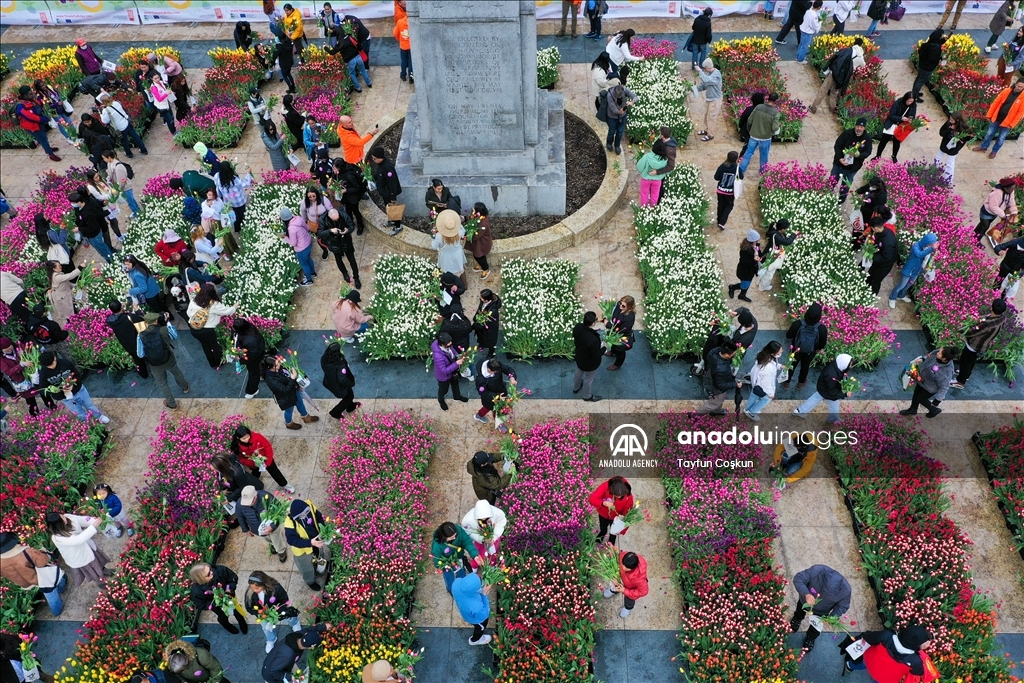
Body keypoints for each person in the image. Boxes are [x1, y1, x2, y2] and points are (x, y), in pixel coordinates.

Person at [0, 532, 67, 617]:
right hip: (39, 578)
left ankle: (57, 606)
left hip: (24, 583)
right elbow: (43, 561)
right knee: (50, 591)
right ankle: (57, 609)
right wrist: (42, 551)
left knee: (47, 589)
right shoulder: (25, 553)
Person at [790, 564, 852, 651]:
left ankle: (811, 638)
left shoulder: (846, 590)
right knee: (800, 611)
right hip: (805, 601)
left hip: (822, 612)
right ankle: (797, 619)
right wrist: (806, 594)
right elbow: (798, 578)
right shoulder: (817, 570)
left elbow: (842, 606)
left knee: (815, 627)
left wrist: (832, 616)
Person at [38, 350, 109, 423]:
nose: (52, 367)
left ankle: (99, 416)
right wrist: (55, 391)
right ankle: (86, 422)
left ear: (55, 358)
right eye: (49, 366)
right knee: (78, 412)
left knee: (90, 405)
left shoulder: (65, 363)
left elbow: (77, 374)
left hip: (79, 390)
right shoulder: (43, 372)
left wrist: (73, 383)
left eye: (52, 364)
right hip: (65, 397)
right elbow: (42, 389)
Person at [137, 312, 189, 409]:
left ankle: (171, 403)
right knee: (177, 373)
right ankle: (185, 387)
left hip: (154, 364)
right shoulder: (163, 329)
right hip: (168, 359)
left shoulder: (141, 335)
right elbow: (174, 336)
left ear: (146, 322)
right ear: (156, 321)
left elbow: (140, 354)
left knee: (162, 383)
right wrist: (167, 322)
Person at [952, 298, 1007, 389]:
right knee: (971, 361)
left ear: (991, 308)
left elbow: (971, 332)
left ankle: (960, 381)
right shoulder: (1002, 316)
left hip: (974, 345)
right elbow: (987, 318)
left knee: (965, 362)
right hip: (984, 345)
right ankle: (966, 375)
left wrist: (959, 328)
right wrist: (979, 319)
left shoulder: (987, 324)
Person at [46, 512, 111, 586]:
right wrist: (93, 526)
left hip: (87, 547)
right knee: (94, 570)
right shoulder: (57, 538)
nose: (64, 517)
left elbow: (83, 520)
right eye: (62, 518)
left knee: (98, 563)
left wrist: (95, 520)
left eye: (62, 515)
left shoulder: (68, 517)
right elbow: (77, 540)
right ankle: (101, 583)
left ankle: (104, 571)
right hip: (80, 557)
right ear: (58, 525)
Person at [846, 627, 936, 680]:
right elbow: (919, 672)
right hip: (885, 678)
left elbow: (870, 637)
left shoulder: (886, 636)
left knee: (863, 663)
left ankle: (850, 666)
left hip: (871, 660)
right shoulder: (914, 660)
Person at [246, 571, 301, 654]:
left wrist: (277, 610)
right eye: (252, 588)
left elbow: (284, 600)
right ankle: (271, 639)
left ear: (264, 584)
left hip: (278, 611)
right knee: (266, 628)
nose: (254, 590)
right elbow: (249, 608)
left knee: (288, 616)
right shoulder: (250, 593)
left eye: (257, 588)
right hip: (264, 615)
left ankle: (295, 623)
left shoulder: (276, 588)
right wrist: (258, 613)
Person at [0, 337, 57, 415]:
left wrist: (26, 355)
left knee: (42, 390)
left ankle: (51, 405)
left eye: (10, 348)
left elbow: (31, 354)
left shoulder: (19, 347)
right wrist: (21, 365)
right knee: (29, 397)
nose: (9, 351)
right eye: (6, 351)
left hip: (32, 374)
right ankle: (34, 413)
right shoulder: (1, 359)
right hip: (21, 381)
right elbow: (8, 372)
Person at [231, 425, 295, 494]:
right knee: (255, 475)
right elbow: (241, 459)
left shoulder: (257, 437)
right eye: (244, 438)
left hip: (265, 459)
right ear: (238, 438)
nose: (247, 439)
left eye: (248, 436)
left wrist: (268, 462)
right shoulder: (237, 446)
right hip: (253, 464)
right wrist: (253, 463)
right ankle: (255, 484)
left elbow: (268, 447)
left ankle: (285, 485)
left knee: (275, 473)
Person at [283, 499, 331, 590]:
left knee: (319, 555)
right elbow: (291, 540)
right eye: (302, 515)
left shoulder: (310, 506)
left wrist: (323, 530)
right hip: (302, 550)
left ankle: (319, 566)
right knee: (306, 567)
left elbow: (319, 517)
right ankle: (310, 581)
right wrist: (310, 542)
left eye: (306, 512)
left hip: (316, 540)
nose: (305, 515)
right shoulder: (289, 522)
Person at [792, 353, 853, 424]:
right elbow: (832, 391)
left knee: (815, 398)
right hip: (827, 392)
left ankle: (799, 411)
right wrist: (845, 394)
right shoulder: (831, 375)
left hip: (822, 387)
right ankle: (832, 419)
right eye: (849, 365)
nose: (850, 367)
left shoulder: (836, 365)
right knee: (834, 407)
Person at [189, 562, 248, 634]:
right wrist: (215, 603)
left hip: (229, 595)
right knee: (223, 616)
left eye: (210, 569)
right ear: (201, 579)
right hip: (216, 605)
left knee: (236, 610)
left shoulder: (220, 570)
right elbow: (200, 604)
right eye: (208, 574)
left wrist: (230, 588)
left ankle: (242, 622)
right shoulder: (197, 591)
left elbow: (232, 577)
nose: (212, 572)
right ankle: (226, 625)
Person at [263, 354, 318, 429]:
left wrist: (300, 375)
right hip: (286, 398)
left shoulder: (278, 369)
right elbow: (285, 390)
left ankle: (306, 417)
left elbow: (287, 372)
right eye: (277, 364)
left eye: (278, 362)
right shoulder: (271, 380)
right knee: (289, 411)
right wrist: (292, 379)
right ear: (270, 367)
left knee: (300, 403)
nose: (279, 365)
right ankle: (289, 423)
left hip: (293, 391)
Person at [810, 39, 864, 115]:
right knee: (834, 92)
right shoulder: (860, 56)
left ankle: (813, 108)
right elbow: (863, 65)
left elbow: (834, 57)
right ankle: (832, 109)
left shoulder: (847, 50)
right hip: (843, 77)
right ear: (861, 45)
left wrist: (826, 68)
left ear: (854, 43)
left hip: (835, 73)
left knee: (823, 90)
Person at [973, 79, 1024, 159]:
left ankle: (994, 151)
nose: (1019, 88)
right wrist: (989, 115)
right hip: (996, 118)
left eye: (1021, 87)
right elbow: (995, 103)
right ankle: (984, 147)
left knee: (1001, 139)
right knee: (989, 134)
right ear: (1015, 84)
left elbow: (1020, 113)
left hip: (1007, 123)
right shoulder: (1006, 91)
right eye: (1018, 86)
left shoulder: (1022, 98)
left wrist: (1012, 124)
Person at [238, 487, 290, 565]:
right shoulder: (240, 504)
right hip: (258, 529)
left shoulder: (266, 496)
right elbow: (240, 517)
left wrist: (272, 526)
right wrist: (246, 529)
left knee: (276, 539)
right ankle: (273, 544)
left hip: (272, 526)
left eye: (250, 501)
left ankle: (281, 551)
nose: (248, 504)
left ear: (255, 496)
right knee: (267, 538)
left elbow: (280, 511)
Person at [262, 624, 330, 683]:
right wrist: (290, 677)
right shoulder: (288, 657)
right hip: (270, 676)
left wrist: (324, 627)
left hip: (277, 660)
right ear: (310, 647)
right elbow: (274, 671)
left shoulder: (298, 635)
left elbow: (309, 629)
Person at [782, 302, 827, 390]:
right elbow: (822, 344)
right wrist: (816, 348)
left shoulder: (798, 323)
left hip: (796, 350)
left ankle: (786, 382)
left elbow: (788, 335)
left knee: (792, 364)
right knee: (805, 366)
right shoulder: (821, 328)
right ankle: (800, 383)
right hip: (810, 352)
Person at [901, 347, 955, 418]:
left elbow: (944, 386)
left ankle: (934, 410)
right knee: (916, 394)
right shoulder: (937, 353)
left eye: (939, 353)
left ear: (944, 359)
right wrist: (923, 359)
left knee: (920, 398)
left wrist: (937, 400)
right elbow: (930, 354)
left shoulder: (946, 372)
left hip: (930, 387)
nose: (937, 353)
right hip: (921, 380)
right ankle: (913, 409)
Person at [888, 233, 939, 309]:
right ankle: (892, 298)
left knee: (909, 284)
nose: (932, 245)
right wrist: (931, 249)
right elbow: (919, 254)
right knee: (901, 285)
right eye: (931, 243)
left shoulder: (928, 248)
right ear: (927, 242)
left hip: (916, 271)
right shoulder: (916, 246)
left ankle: (901, 296)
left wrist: (931, 265)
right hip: (909, 269)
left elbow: (927, 259)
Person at [831, 118, 873, 204]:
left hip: (851, 168)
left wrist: (859, 155)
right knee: (833, 180)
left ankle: (841, 199)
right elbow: (837, 145)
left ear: (864, 128)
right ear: (855, 126)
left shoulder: (867, 139)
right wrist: (840, 158)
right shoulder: (847, 133)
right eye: (857, 126)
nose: (859, 128)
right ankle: (828, 193)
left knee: (846, 185)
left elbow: (868, 152)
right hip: (839, 164)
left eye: (861, 127)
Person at [14, 86, 61, 161]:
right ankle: (50, 154)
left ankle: (47, 148)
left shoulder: (30, 99)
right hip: (32, 126)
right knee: (43, 139)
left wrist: (37, 98)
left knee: (42, 138)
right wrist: (44, 119)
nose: (32, 94)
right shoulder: (21, 107)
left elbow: (40, 105)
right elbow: (31, 117)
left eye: (31, 93)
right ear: (25, 96)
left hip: (38, 123)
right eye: (30, 94)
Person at [739, 93, 780, 175]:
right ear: (776, 101)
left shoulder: (759, 107)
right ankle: (762, 171)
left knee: (748, 153)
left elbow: (750, 120)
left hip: (753, 135)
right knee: (764, 156)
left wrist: (750, 130)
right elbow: (774, 128)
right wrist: (778, 125)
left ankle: (741, 170)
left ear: (768, 98)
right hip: (765, 138)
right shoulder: (776, 112)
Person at [104, 301, 148, 378]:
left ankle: (143, 374)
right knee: (146, 353)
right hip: (137, 341)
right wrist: (137, 310)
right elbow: (142, 320)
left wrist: (121, 309)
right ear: (121, 307)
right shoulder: (129, 317)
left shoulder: (110, 320)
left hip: (126, 344)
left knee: (137, 360)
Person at [696, 341, 741, 415]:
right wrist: (735, 384)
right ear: (726, 355)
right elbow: (720, 385)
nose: (734, 355)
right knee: (713, 403)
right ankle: (695, 415)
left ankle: (717, 411)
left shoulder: (715, 351)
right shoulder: (721, 369)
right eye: (733, 354)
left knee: (718, 401)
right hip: (717, 389)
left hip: (711, 378)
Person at [97, 92, 147, 158]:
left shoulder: (106, 110)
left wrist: (101, 114)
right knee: (135, 136)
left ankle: (129, 154)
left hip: (119, 128)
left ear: (103, 102)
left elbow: (105, 121)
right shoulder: (116, 103)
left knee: (124, 141)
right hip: (126, 123)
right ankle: (144, 150)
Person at [874, 92, 920, 163]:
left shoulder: (913, 106)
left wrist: (911, 120)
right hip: (892, 124)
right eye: (908, 101)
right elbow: (891, 116)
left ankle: (894, 156)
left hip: (901, 126)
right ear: (905, 99)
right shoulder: (897, 103)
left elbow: (912, 116)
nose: (910, 103)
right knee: (884, 141)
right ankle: (878, 155)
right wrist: (901, 118)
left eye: (911, 101)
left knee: (897, 142)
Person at [601, 551, 648, 619]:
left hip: (630, 590)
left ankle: (628, 608)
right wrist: (613, 554)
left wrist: (624, 590)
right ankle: (614, 590)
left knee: (629, 600)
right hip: (621, 580)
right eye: (623, 564)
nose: (623, 568)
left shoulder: (639, 578)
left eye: (626, 568)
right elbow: (618, 556)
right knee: (615, 585)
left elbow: (643, 592)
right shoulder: (624, 556)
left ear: (633, 568)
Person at [743, 341, 783, 421]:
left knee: (753, 396)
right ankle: (752, 412)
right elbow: (766, 383)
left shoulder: (763, 355)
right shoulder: (768, 367)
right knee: (766, 399)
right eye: (779, 353)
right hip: (761, 385)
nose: (781, 353)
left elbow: (774, 364)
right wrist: (771, 394)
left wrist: (780, 366)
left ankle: (747, 409)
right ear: (772, 353)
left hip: (755, 382)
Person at [474, 357, 517, 427]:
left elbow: (507, 369)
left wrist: (512, 377)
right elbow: (484, 393)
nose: (497, 373)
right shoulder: (480, 380)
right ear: (489, 370)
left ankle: (479, 415)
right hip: (491, 399)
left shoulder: (495, 364)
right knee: (496, 410)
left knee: (487, 408)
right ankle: (499, 424)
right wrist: (497, 396)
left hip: (500, 391)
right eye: (495, 372)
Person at [321, 341, 360, 419]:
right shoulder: (340, 365)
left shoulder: (324, 359)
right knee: (349, 397)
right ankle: (335, 412)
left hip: (329, 381)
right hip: (340, 386)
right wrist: (349, 384)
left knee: (348, 397)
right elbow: (342, 379)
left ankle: (350, 406)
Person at [590, 476, 633, 545]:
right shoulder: (606, 486)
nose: (619, 497)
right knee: (603, 527)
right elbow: (592, 498)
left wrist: (622, 529)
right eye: (616, 495)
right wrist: (603, 503)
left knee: (613, 532)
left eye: (621, 495)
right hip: (603, 514)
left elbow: (628, 514)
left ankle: (611, 541)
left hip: (616, 518)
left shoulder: (628, 496)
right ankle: (603, 533)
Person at [572, 311, 605, 402]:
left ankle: (576, 388)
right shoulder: (593, 339)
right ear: (593, 323)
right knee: (588, 379)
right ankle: (587, 396)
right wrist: (604, 348)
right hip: (590, 364)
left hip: (579, 357)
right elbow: (596, 354)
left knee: (578, 373)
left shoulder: (578, 327)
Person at [453, 571, 492, 646]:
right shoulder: (476, 607)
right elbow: (485, 614)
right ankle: (475, 640)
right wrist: (484, 594)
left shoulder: (456, 582)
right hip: (475, 620)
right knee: (479, 629)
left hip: (464, 609)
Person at [280, 207, 316, 287]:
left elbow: (293, 243)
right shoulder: (298, 218)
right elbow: (307, 228)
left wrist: (285, 237)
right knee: (309, 259)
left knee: (304, 264)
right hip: (308, 242)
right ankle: (313, 273)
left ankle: (309, 280)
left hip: (301, 249)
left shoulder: (291, 228)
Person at [371, 146, 404, 235]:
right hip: (384, 192)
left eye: (374, 158)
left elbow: (392, 183)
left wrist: (393, 196)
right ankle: (392, 220)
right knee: (388, 208)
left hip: (389, 193)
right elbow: (379, 174)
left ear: (380, 158)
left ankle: (398, 226)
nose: (373, 160)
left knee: (393, 209)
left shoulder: (388, 168)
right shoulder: (381, 164)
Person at [164, 639, 231, 683]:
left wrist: (214, 681)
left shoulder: (201, 655)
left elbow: (216, 668)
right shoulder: (173, 663)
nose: (181, 672)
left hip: (212, 678)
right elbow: (176, 675)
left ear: (187, 661)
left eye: (182, 670)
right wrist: (183, 681)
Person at [432, 332, 468, 411]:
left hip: (453, 371)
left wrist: (458, 356)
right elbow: (444, 370)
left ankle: (457, 396)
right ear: (443, 344)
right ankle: (441, 401)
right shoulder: (438, 356)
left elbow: (453, 351)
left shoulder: (447, 345)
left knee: (455, 384)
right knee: (443, 390)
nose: (451, 343)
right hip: (444, 376)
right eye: (449, 343)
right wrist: (457, 363)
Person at [975, 177, 1018, 243]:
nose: (1013, 190)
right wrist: (1003, 215)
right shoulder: (997, 193)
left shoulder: (1010, 192)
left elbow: (1011, 201)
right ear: (1006, 188)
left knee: (982, 225)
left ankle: (974, 234)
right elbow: (993, 207)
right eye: (1011, 189)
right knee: (985, 227)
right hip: (987, 212)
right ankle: (976, 241)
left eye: (1013, 188)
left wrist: (1014, 211)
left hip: (994, 213)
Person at [214, 161, 253, 233]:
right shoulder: (233, 179)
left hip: (229, 200)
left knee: (235, 213)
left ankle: (237, 228)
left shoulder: (217, 176)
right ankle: (243, 226)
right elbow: (246, 184)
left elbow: (216, 184)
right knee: (241, 214)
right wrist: (248, 173)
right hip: (239, 200)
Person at [102, 150, 141, 217]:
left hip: (125, 187)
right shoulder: (109, 164)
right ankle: (138, 210)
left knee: (130, 201)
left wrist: (118, 189)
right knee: (131, 200)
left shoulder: (119, 167)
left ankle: (136, 213)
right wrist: (108, 179)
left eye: (104, 158)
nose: (103, 160)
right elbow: (110, 174)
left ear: (109, 157)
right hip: (119, 186)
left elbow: (122, 181)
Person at [604, 77, 637, 155]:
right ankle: (609, 143)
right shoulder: (609, 95)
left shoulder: (624, 89)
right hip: (612, 116)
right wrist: (619, 112)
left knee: (620, 132)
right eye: (618, 97)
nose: (620, 97)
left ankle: (617, 145)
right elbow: (613, 108)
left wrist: (632, 102)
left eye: (621, 96)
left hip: (622, 116)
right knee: (612, 131)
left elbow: (635, 97)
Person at [866, 218, 899, 296]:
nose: (872, 230)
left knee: (876, 281)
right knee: (870, 274)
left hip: (884, 265)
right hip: (878, 259)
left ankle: (872, 295)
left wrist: (872, 256)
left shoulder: (888, 241)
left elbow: (886, 258)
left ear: (876, 228)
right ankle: (865, 287)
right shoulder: (881, 232)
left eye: (872, 228)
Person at [432, 209, 467, 279]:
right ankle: (463, 283)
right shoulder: (459, 232)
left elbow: (434, 246)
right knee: (460, 270)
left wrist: (434, 237)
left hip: (446, 257)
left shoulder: (439, 236)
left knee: (447, 273)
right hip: (457, 254)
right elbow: (463, 231)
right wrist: (458, 224)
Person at [727, 230, 761, 303]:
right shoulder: (744, 250)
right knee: (745, 285)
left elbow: (759, 253)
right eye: (756, 241)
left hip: (751, 270)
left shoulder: (756, 246)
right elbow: (745, 263)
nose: (757, 242)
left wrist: (760, 257)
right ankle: (732, 287)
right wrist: (754, 260)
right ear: (752, 241)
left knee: (747, 283)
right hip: (745, 271)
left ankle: (742, 295)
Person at [42, 260, 78, 328]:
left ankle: (76, 323)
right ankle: (75, 326)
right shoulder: (56, 277)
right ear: (54, 269)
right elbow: (70, 276)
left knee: (71, 310)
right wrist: (80, 268)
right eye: (59, 266)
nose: (61, 266)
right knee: (69, 312)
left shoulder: (55, 274)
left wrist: (76, 285)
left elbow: (66, 283)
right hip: (62, 298)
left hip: (63, 296)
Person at [301, 185, 332, 258]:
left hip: (325, 223)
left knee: (330, 236)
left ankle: (336, 249)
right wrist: (304, 222)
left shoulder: (323, 200)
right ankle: (325, 250)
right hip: (314, 225)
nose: (312, 198)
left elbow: (331, 210)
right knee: (320, 239)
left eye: (314, 196)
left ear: (317, 194)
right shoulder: (304, 202)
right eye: (310, 197)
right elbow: (303, 212)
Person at [934, 111, 968, 180]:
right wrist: (949, 129)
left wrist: (959, 143)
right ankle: (933, 171)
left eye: (952, 120)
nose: (950, 121)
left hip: (954, 148)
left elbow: (968, 137)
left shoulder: (964, 127)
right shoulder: (948, 123)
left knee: (950, 164)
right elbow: (941, 132)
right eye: (950, 119)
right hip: (944, 144)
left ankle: (948, 180)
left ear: (957, 120)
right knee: (938, 158)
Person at [337, 160, 367, 234]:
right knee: (348, 210)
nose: (334, 169)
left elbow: (356, 187)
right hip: (346, 197)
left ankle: (360, 225)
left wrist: (346, 190)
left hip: (353, 197)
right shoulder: (340, 173)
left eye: (335, 168)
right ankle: (350, 224)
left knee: (356, 211)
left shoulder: (350, 175)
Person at [913, 30, 946, 99]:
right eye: (941, 36)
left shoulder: (928, 44)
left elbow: (939, 42)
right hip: (927, 68)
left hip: (922, 65)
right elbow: (932, 58)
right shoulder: (935, 48)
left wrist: (945, 39)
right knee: (921, 80)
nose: (942, 37)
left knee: (919, 79)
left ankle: (914, 93)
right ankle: (914, 96)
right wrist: (940, 58)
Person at [713, 151, 742, 229]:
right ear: (736, 159)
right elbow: (741, 177)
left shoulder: (722, 166)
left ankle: (719, 220)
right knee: (729, 206)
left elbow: (716, 177)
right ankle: (722, 222)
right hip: (730, 193)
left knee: (721, 205)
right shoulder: (737, 168)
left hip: (720, 190)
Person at [466, 203, 493, 279]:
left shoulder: (483, 224)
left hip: (482, 243)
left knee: (478, 256)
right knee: (478, 255)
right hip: (479, 242)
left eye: (474, 209)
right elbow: (472, 219)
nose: (473, 209)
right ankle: (481, 266)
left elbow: (476, 236)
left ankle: (485, 269)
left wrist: (468, 236)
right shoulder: (480, 217)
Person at [473, 289, 501, 358]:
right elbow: (479, 310)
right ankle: (481, 345)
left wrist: (475, 326)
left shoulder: (493, 310)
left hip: (490, 329)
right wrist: (475, 318)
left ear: (486, 300)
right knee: (481, 337)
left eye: (481, 297)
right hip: (482, 326)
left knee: (491, 341)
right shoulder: (483, 302)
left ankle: (491, 353)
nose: (480, 298)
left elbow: (487, 322)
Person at [394, 10, 413, 82]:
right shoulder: (412, 23)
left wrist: (400, 39)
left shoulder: (400, 22)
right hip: (411, 46)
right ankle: (411, 77)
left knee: (404, 61)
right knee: (411, 61)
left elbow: (395, 33)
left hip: (403, 46)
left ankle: (403, 75)